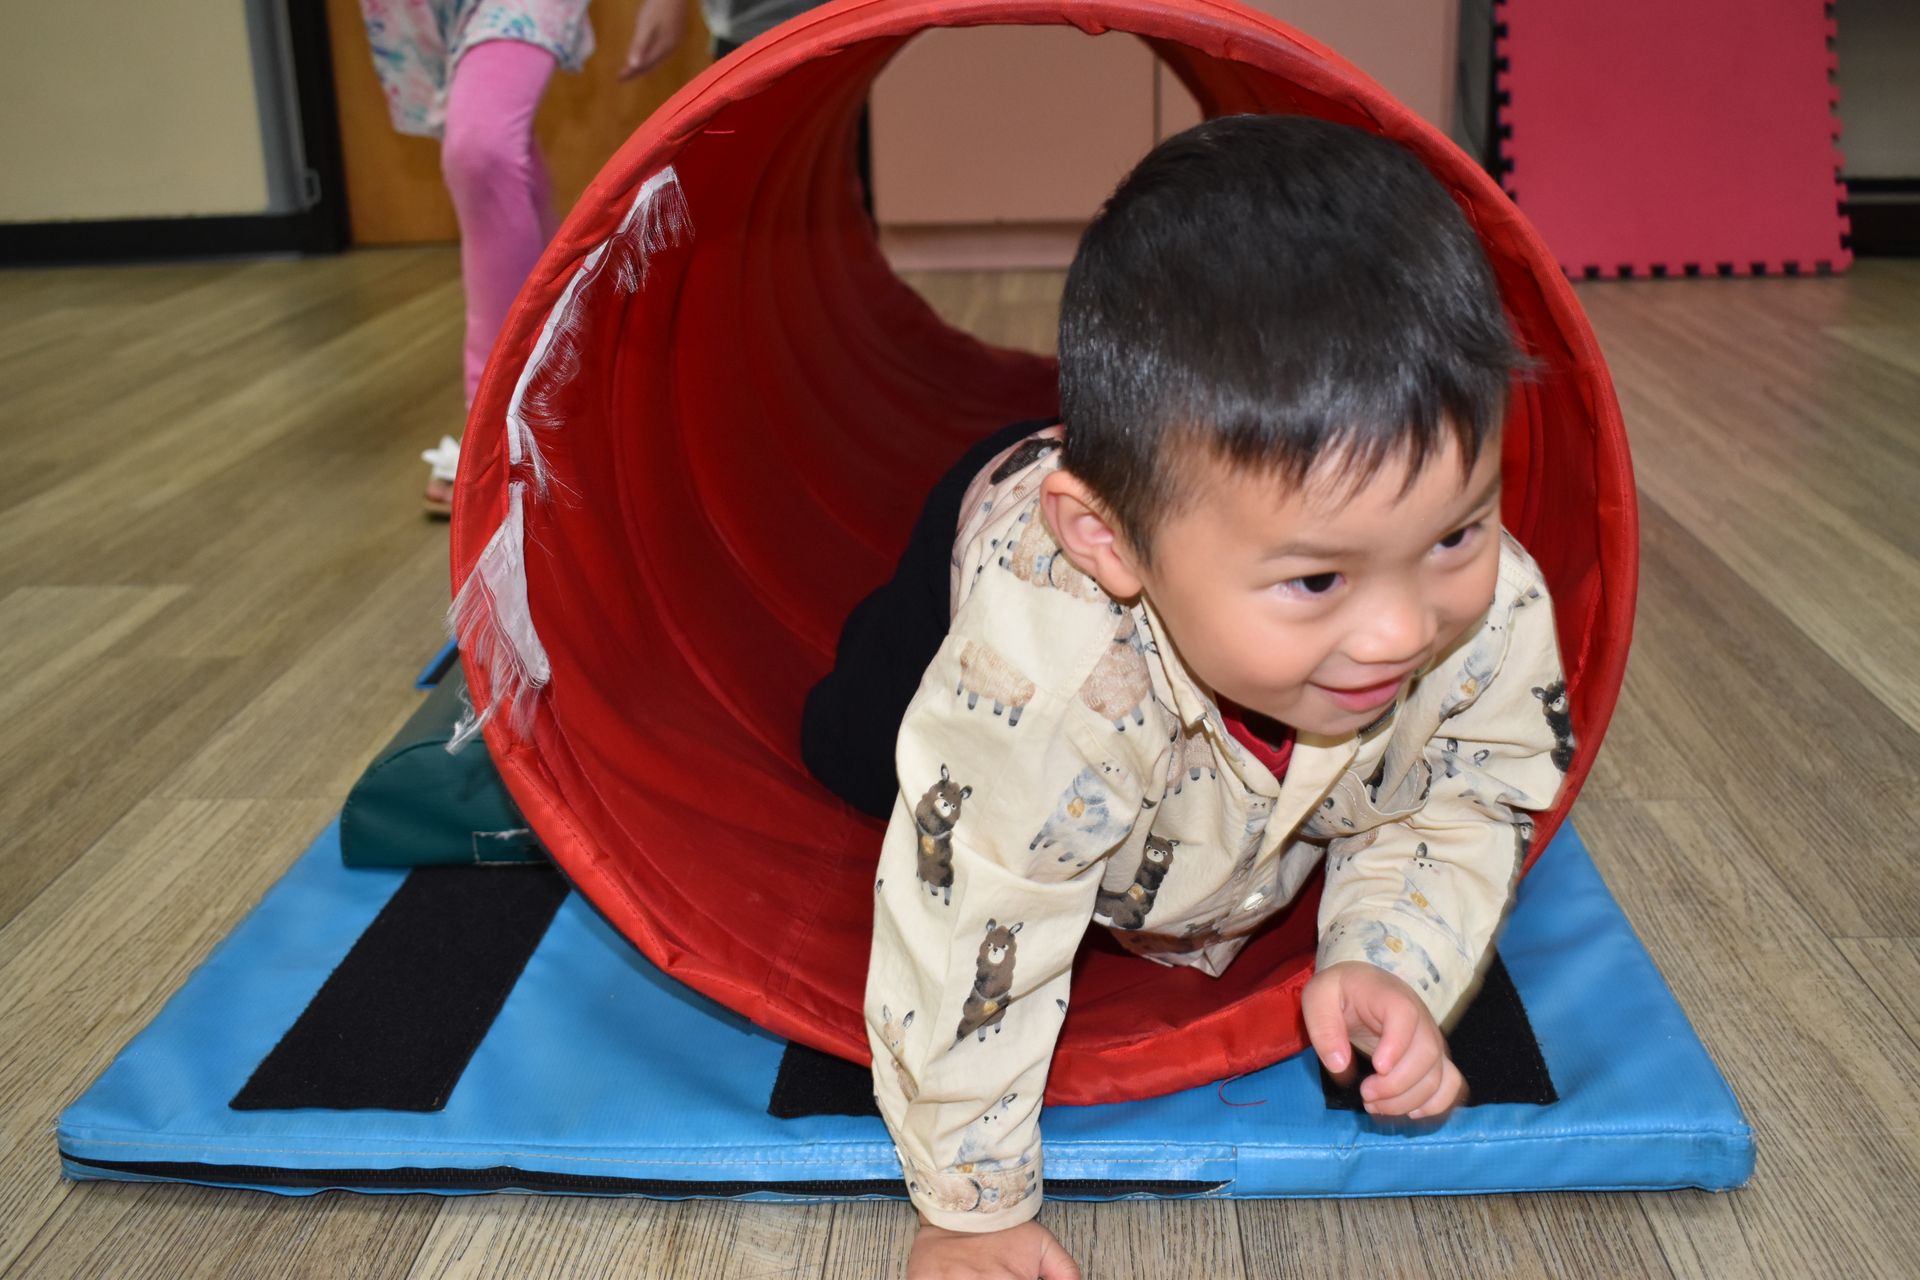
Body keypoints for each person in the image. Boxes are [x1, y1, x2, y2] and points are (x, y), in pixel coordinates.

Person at [801, 115, 1572, 1279]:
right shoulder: (1044, 669)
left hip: (1148, 513)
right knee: (849, 747)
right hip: (993, 535)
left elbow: (1458, 794)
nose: (1406, 625)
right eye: (1319, 576)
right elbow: (976, 905)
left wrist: (1383, 955)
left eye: (1455, 528)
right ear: (1110, 543)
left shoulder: (1488, 607)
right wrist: (971, 1206)